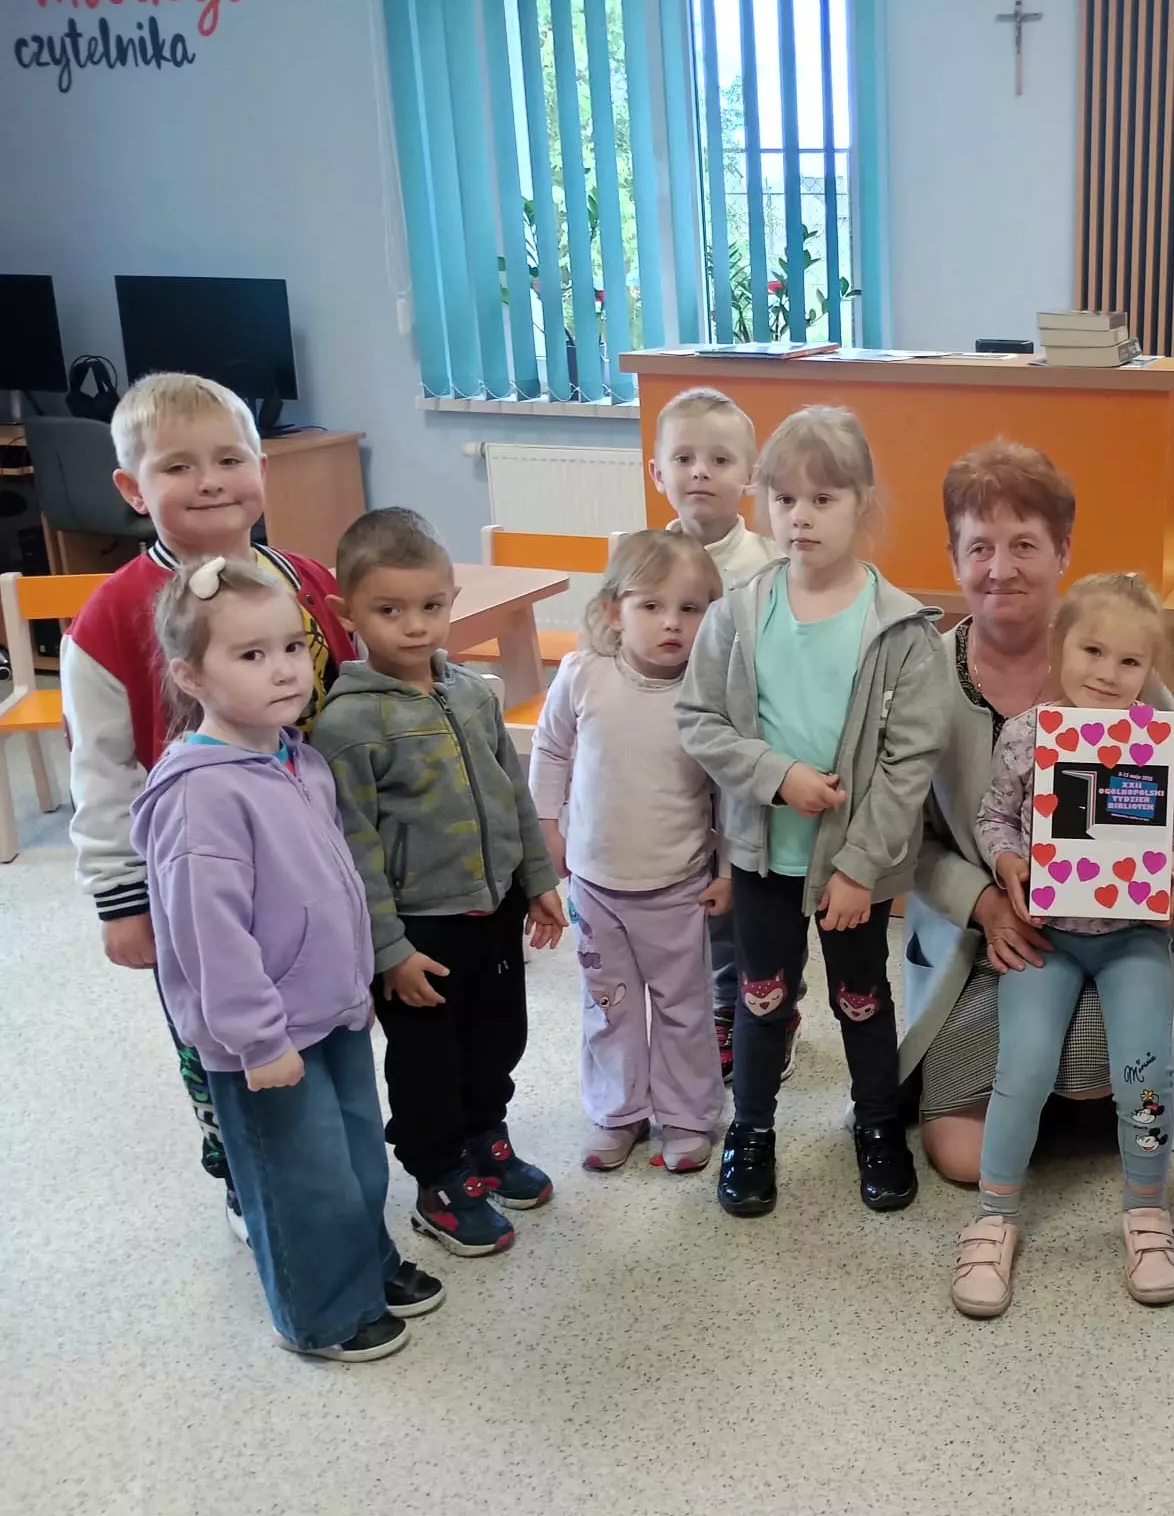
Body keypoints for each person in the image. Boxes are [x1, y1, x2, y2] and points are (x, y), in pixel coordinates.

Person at [62, 371, 356, 1243]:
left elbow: (347, 709)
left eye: (230, 459)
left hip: (310, 862)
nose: (210, 482)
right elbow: (102, 769)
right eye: (178, 466)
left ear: (262, 468)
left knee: (318, 1028)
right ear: (132, 488)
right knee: (223, 1037)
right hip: (203, 880)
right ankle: (241, 1168)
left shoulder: (305, 579)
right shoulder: (108, 617)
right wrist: (119, 899)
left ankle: (329, 1169)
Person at [132, 556, 441, 1362]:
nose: (284, 671)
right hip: (263, 1039)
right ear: (190, 676)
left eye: (293, 648)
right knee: (300, 1176)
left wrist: (352, 981)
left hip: (329, 1008)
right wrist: (257, 1038)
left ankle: (365, 1268)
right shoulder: (200, 794)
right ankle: (321, 1314)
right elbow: (208, 937)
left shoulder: (296, 758)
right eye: (251, 655)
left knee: (354, 1158)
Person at [897, 442, 1174, 1185]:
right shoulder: (922, 677)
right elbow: (906, 842)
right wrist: (987, 903)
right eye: (980, 547)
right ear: (954, 558)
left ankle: (1074, 1092)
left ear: (1062, 551)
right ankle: (1034, 1099)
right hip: (984, 940)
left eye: (1025, 545)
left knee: (1107, 1078)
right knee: (961, 1158)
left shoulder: (1127, 672)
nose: (1001, 568)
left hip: (1108, 933)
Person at [678, 405, 947, 1218]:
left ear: (863, 503)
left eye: (824, 499)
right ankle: (751, 1130)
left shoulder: (900, 630)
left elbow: (908, 765)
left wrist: (861, 866)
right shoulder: (737, 613)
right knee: (761, 999)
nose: (801, 517)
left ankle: (877, 1124)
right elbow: (699, 721)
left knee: (862, 1000)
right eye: (785, 499)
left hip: (854, 869)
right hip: (763, 856)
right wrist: (778, 776)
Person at [311, 509, 565, 1259]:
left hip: (494, 908)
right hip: (419, 930)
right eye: (389, 611)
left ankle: (487, 1137)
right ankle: (438, 1176)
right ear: (346, 613)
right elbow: (353, 847)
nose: (415, 626)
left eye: (430, 606)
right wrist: (388, 950)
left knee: (499, 1036)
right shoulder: (347, 724)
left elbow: (513, 794)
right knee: (429, 1061)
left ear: (452, 599)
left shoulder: (475, 694)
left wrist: (538, 878)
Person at [950, 574, 1174, 1318]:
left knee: (1145, 1070)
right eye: (1092, 650)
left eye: (1130, 661)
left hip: (1133, 938)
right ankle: (994, 1216)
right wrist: (1008, 864)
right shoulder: (1029, 733)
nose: (1108, 673)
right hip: (1047, 935)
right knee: (1022, 1066)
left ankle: (1147, 1211)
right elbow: (994, 817)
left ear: (1149, 668)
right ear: (1060, 648)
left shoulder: (1164, 740)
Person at [530, 530, 729, 1176]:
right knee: (608, 1005)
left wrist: (728, 869)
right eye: (651, 606)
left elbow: (730, 789)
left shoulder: (709, 693)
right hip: (596, 887)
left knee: (683, 1009)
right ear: (615, 611)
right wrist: (547, 826)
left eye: (690, 609)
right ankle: (617, 1112)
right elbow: (550, 750)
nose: (672, 623)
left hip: (678, 886)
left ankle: (687, 1115)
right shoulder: (583, 674)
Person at [647, 386, 796, 1082]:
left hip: (741, 760)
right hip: (670, 762)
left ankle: (760, 1008)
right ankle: (702, 1008)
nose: (700, 472)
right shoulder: (643, 560)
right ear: (657, 472)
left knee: (745, 893)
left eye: (719, 459)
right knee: (685, 889)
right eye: (683, 458)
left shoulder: (770, 564)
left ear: (751, 475)